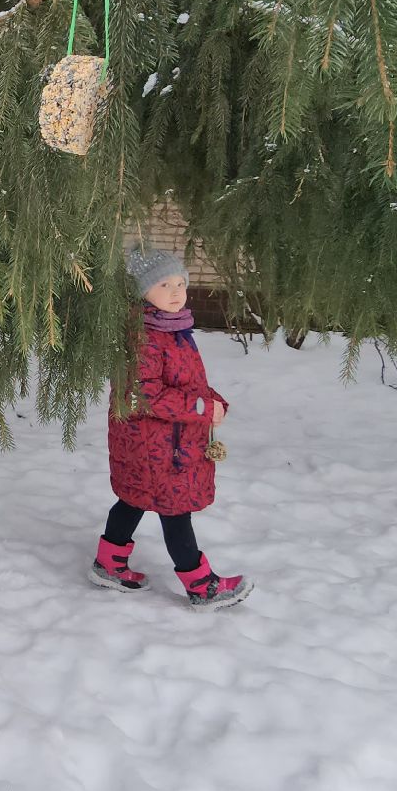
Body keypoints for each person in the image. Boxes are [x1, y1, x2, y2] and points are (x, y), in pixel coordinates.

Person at [92, 245, 253, 610]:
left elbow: (189, 384)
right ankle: (201, 586)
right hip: (154, 446)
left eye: (181, 282)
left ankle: (108, 563)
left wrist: (214, 401)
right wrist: (199, 408)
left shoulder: (174, 330)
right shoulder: (143, 337)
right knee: (174, 510)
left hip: (167, 443)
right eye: (164, 284)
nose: (177, 292)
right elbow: (145, 394)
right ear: (141, 291)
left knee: (133, 500)